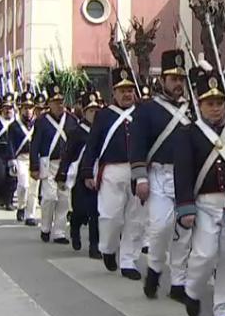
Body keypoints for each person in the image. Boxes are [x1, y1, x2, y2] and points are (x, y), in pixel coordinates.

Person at [174, 66, 225, 316]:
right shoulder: (188, 134)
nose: (216, 108)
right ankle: (192, 290)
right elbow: (184, 173)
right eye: (210, 103)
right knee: (204, 254)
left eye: (219, 103)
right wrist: (185, 208)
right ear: (199, 104)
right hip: (204, 204)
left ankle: (224, 308)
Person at [130, 50, 193, 300]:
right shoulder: (147, 110)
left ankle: (178, 283)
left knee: (184, 232)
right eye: (173, 78)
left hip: (185, 177)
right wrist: (140, 178)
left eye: (181, 79)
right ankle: (155, 268)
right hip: (157, 175)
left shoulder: (193, 110)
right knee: (160, 227)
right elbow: (137, 144)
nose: (178, 84)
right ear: (162, 80)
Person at [82, 68, 145, 280]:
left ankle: (128, 261)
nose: (127, 94)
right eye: (122, 90)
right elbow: (92, 145)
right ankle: (108, 249)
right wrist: (86, 171)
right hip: (111, 171)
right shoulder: (104, 115)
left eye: (129, 89)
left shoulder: (142, 113)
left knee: (135, 219)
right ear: (114, 93)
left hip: (138, 170)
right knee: (110, 216)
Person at [30, 83, 79, 244]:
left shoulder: (72, 120)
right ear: (49, 103)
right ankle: (45, 227)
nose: (59, 104)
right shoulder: (42, 121)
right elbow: (35, 145)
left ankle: (59, 231)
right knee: (49, 197)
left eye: (61, 101)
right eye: (55, 101)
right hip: (48, 164)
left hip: (65, 165)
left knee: (64, 199)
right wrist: (34, 167)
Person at [67, 90, 102, 257]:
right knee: (81, 211)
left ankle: (94, 246)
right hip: (80, 178)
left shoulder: (103, 131)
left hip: (98, 177)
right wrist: (62, 174)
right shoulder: (77, 132)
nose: (94, 114)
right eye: (91, 111)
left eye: (97, 111)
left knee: (96, 213)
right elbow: (68, 154)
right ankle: (74, 226)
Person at [10, 91, 38, 225]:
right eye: (25, 108)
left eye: (30, 107)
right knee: (24, 185)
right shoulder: (14, 126)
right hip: (21, 159)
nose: (28, 111)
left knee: (33, 188)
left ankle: (30, 215)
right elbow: (11, 145)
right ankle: (21, 206)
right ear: (20, 109)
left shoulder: (38, 125)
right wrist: (12, 161)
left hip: (35, 159)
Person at [0, 94, 18, 211]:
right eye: (5, 108)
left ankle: (9, 201)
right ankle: (0, 195)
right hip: (0, 152)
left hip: (13, 152)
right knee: (0, 176)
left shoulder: (16, 123)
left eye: (10, 108)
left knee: (12, 178)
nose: (8, 110)